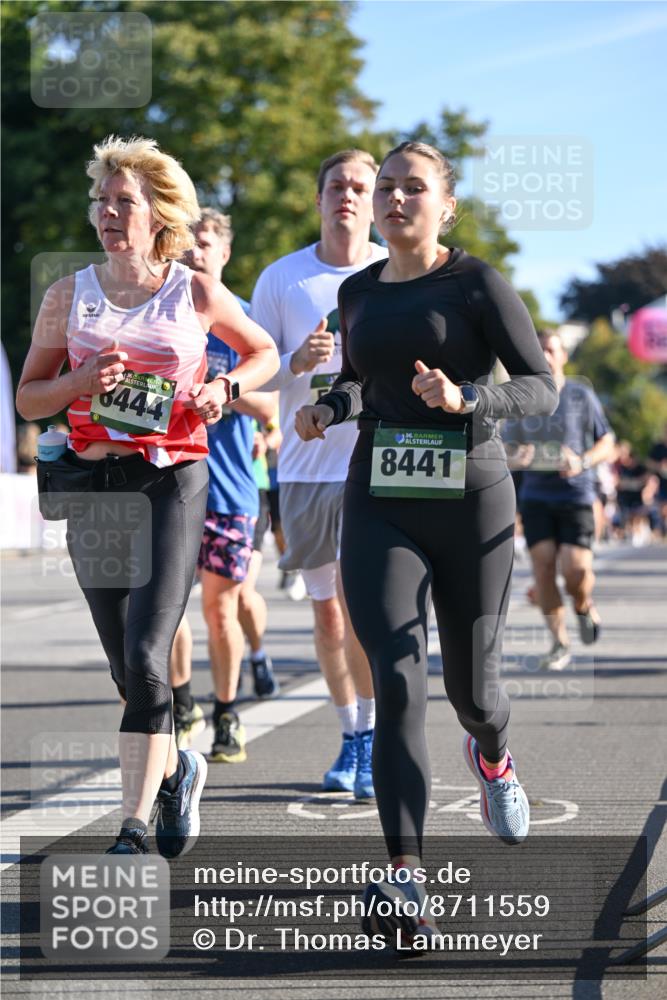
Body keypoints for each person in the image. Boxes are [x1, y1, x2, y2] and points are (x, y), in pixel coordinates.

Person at [295, 140, 558, 945]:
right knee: (397, 678)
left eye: (413, 187)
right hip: (381, 496)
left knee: (473, 693)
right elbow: (355, 382)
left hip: (471, 497)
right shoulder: (356, 291)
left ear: (445, 206)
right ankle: (405, 876)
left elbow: (541, 388)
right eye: (386, 187)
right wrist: (326, 408)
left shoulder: (475, 283)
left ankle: (493, 756)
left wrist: (466, 397)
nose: (394, 199)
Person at [16, 136, 278, 855]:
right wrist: (78, 382)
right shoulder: (67, 295)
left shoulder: (192, 291)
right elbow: (30, 396)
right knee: (124, 667)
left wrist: (225, 387)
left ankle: (132, 827)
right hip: (94, 489)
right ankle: (175, 771)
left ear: (158, 213)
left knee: (146, 651)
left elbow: (263, 352)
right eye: (100, 200)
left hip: (170, 481)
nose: (107, 211)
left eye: (122, 201)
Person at [251, 149, 387, 799]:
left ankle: (377, 737)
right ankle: (351, 734)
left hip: (375, 466)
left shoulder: (393, 271)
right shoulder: (283, 278)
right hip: (306, 471)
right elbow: (255, 374)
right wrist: (295, 360)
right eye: (336, 186)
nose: (348, 196)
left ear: (375, 200)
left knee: (367, 613)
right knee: (329, 616)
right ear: (319, 199)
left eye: (360, 187)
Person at [176, 208, 279, 762]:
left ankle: (226, 713)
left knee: (221, 610)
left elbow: (272, 402)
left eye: (205, 241)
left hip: (228, 488)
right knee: (165, 612)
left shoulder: (239, 315)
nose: (193, 250)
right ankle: (180, 705)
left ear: (224, 253)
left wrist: (221, 389)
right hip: (167, 484)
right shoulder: (160, 309)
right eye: (185, 240)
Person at [504, 330, 616, 670]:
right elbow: (505, 449)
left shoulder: (581, 395)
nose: (545, 356)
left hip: (576, 494)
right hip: (536, 496)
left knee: (575, 571)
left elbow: (607, 441)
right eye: (539, 350)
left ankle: (582, 605)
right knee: (543, 568)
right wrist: (518, 455)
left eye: (551, 350)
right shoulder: (524, 398)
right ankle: (559, 642)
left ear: (563, 355)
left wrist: (581, 461)